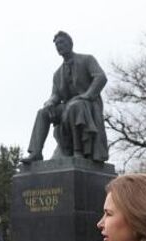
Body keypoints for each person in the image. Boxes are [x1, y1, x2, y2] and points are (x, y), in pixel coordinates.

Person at [22, 31, 108, 164]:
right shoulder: (57, 73)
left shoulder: (87, 59)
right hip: (68, 106)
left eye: (62, 42)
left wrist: (87, 95)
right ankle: (36, 152)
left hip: (88, 105)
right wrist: (50, 102)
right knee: (43, 113)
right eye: (57, 44)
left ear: (70, 44)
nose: (59, 46)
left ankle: (78, 151)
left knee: (75, 106)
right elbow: (56, 94)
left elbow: (100, 77)